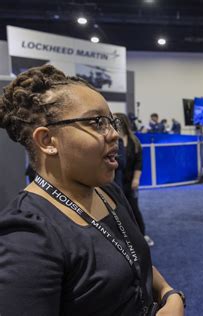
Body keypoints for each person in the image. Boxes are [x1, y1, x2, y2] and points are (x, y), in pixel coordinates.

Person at [0, 65, 185, 315]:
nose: (113, 134)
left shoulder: (107, 192)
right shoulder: (26, 237)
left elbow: (133, 257)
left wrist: (168, 293)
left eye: (111, 122)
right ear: (47, 141)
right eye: (96, 122)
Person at [114, 112, 155, 247]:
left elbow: (139, 163)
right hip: (116, 182)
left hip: (131, 181)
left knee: (134, 209)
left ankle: (142, 234)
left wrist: (136, 180)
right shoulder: (112, 140)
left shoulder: (134, 142)